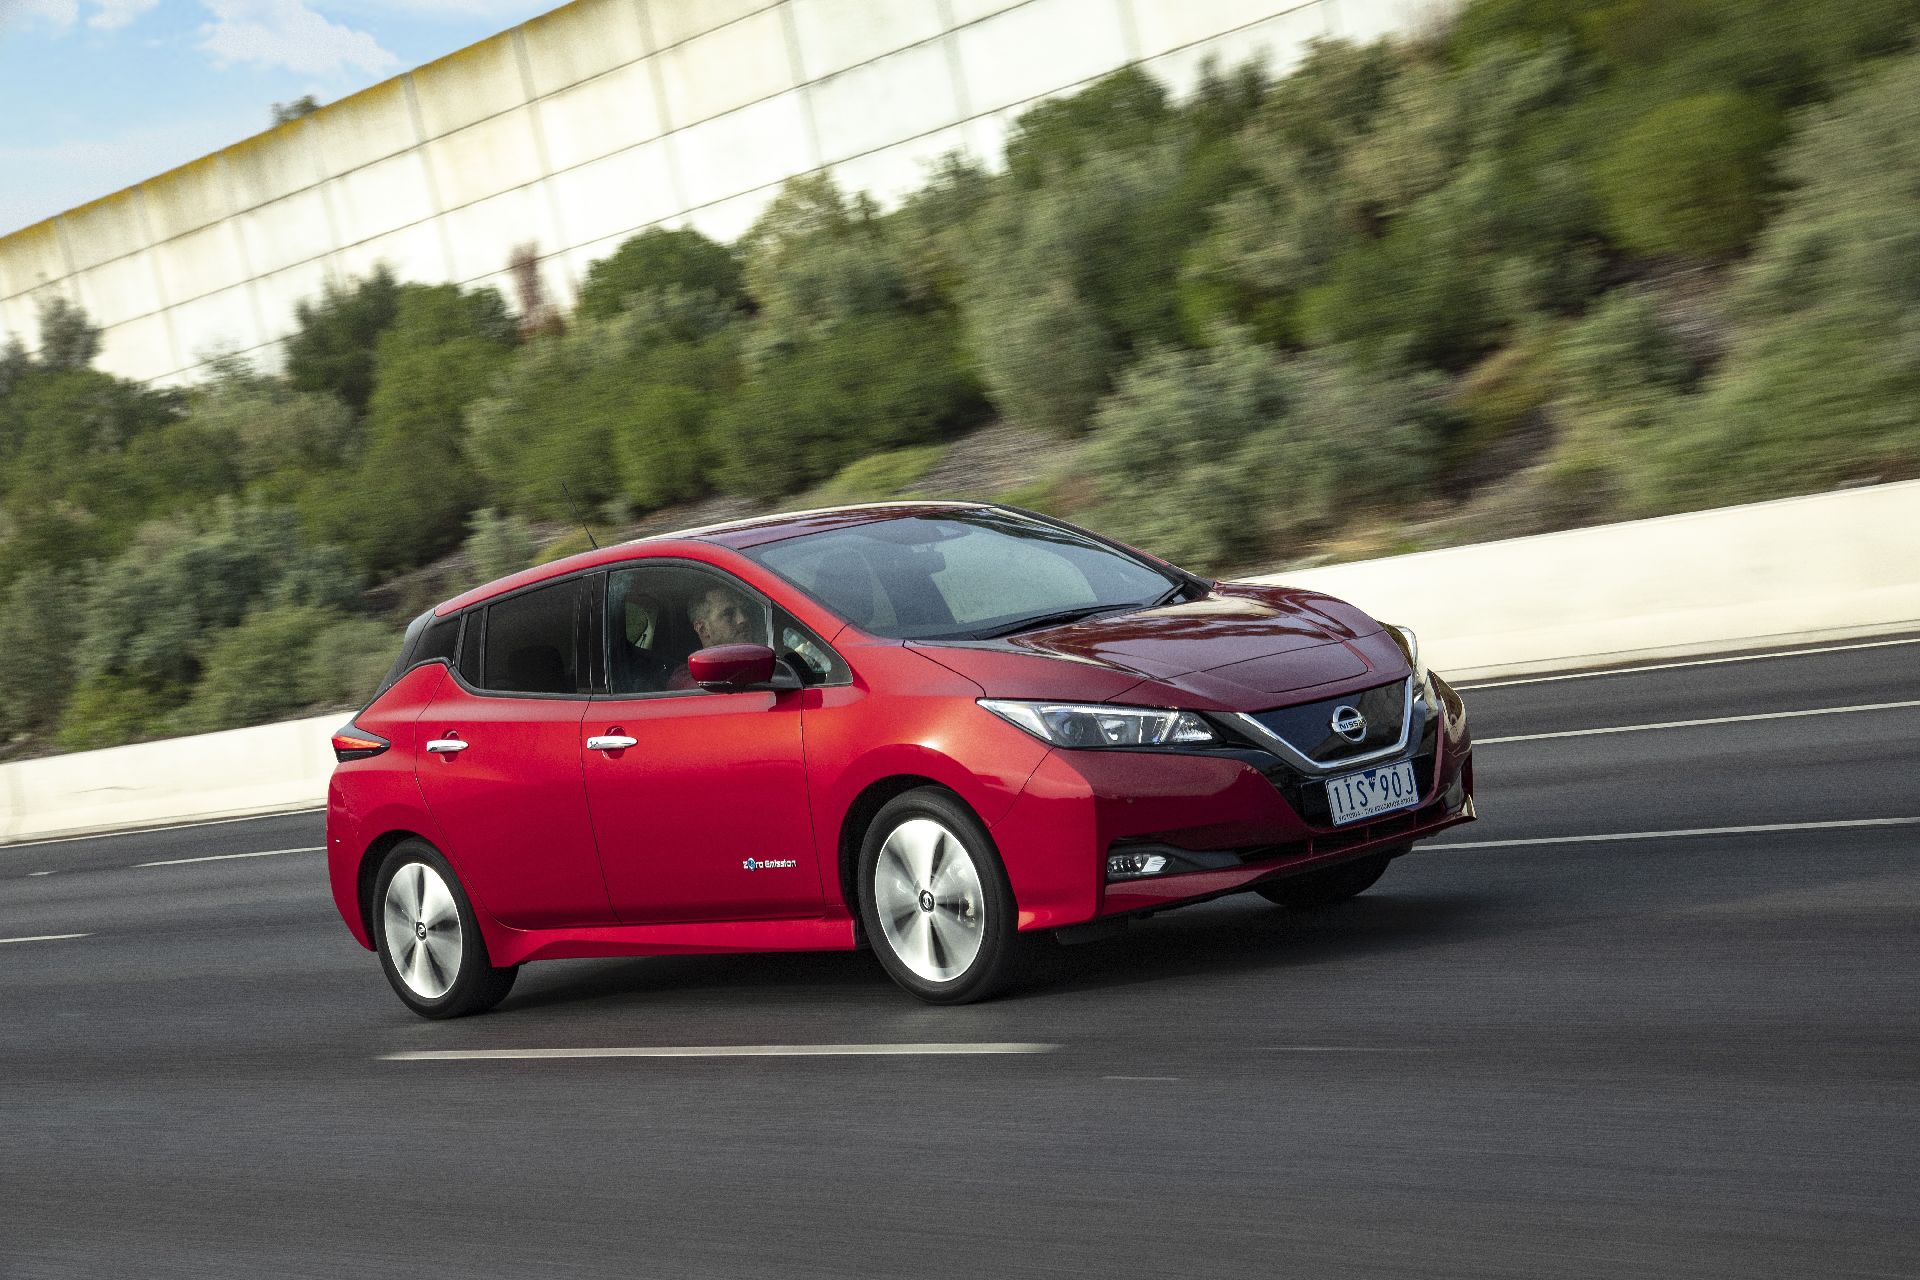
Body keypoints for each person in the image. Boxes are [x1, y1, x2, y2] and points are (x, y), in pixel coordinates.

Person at [667, 583, 763, 689]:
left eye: (744, 610)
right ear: (703, 629)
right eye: (728, 614)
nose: (743, 619)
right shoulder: (686, 679)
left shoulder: (759, 662)